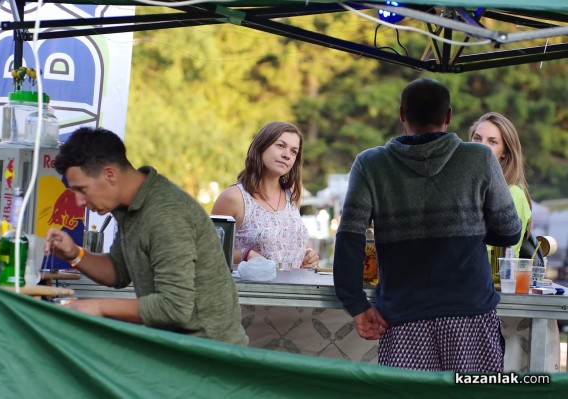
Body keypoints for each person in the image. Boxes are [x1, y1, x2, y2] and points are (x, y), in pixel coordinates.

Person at [333, 78, 522, 372]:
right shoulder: (479, 157)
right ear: (448, 116)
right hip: (469, 314)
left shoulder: (370, 164)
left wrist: (356, 305)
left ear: (402, 115)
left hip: (402, 318)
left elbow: (349, 238)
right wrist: (467, 226)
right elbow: (510, 232)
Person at [44, 127, 248, 346]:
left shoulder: (165, 214)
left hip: (210, 354)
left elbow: (174, 307)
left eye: (82, 189)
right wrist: (75, 254)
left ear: (109, 174)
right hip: (175, 345)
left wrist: (98, 306)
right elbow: (118, 272)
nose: (78, 202)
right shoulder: (129, 206)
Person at [469, 112, 560, 372]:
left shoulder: (513, 193)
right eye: (477, 138)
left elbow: (482, 247)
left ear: (505, 153)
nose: (482, 146)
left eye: (492, 141)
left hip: (492, 303)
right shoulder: (467, 187)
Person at [211, 121, 319, 269]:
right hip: (251, 291)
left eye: (294, 151)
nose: (287, 155)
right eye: (280, 146)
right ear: (261, 146)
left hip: (295, 290)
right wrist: (245, 254)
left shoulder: (293, 193)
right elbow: (208, 252)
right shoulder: (234, 197)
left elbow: (292, 241)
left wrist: (309, 254)